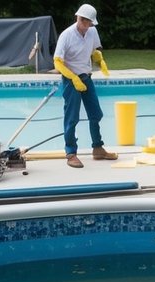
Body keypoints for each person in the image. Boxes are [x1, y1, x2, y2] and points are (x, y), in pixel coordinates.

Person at [53, 4, 118, 169]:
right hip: (71, 79)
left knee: (96, 113)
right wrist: (73, 78)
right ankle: (71, 153)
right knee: (72, 117)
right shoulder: (66, 35)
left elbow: (93, 51)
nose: (84, 24)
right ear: (78, 17)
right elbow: (57, 62)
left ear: (91, 22)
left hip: (86, 77)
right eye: (82, 20)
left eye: (87, 22)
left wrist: (100, 59)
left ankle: (97, 148)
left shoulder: (92, 32)